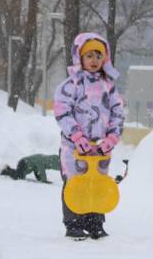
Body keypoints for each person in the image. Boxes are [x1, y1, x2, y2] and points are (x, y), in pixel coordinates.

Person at [53, 33, 125, 240]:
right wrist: (77, 137)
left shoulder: (108, 87)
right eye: (89, 55)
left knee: (97, 182)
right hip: (74, 147)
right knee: (75, 182)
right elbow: (62, 112)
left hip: (100, 147)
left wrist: (111, 138)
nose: (94, 60)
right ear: (80, 57)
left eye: (98, 55)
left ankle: (95, 222)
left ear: (105, 58)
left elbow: (118, 113)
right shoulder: (71, 85)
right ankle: (73, 222)